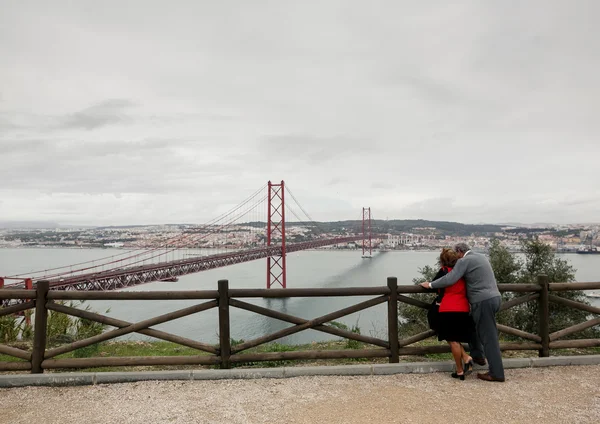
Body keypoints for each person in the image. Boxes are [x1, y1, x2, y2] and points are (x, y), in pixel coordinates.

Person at [420, 242, 505, 382]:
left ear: (460, 251)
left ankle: (496, 373)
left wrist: (430, 284)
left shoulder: (464, 261)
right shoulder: (480, 257)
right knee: (476, 328)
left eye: (456, 254)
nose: (456, 257)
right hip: (495, 297)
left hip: (482, 301)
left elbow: (450, 278)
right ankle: (477, 355)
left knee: (489, 338)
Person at [429, 248, 475, 380]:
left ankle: (460, 371)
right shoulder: (462, 273)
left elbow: (436, 286)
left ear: (442, 261)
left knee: (453, 341)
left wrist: (428, 285)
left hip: (448, 308)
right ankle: (466, 357)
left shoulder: (444, 271)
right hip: (463, 308)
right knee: (454, 338)